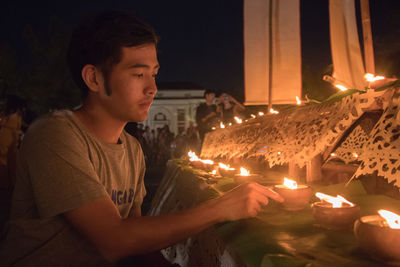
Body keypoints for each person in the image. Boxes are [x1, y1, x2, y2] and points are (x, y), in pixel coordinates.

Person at [0, 10, 283, 266]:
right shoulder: (55, 134)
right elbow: (116, 240)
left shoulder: (132, 149)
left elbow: (136, 237)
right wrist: (219, 207)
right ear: (94, 79)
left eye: (154, 74)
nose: (152, 88)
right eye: (138, 74)